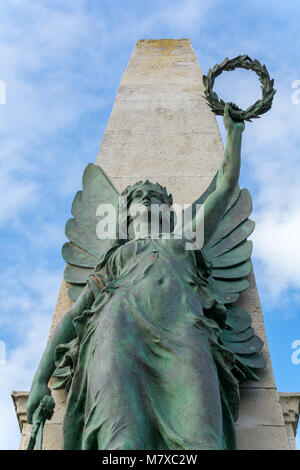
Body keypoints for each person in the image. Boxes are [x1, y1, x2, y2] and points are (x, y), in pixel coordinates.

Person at [27, 104, 245, 450]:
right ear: (124, 216)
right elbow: (72, 318)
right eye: (137, 198)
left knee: (203, 441)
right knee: (122, 443)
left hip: (183, 335)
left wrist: (234, 135)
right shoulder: (114, 260)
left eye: (155, 198)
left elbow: (223, 191)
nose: (146, 200)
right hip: (116, 333)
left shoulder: (185, 242)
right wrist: (40, 380)